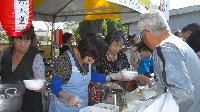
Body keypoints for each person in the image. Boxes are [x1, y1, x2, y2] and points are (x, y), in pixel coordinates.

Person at [137, 10, 200, 112]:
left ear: (146, 33)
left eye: (141, 35)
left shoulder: (165, 48)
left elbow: (184, 96)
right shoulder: (177, 43)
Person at [48, 33, 107, 112]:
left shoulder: (87, 58)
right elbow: (54, 84)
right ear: (84, 50)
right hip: (63, 108)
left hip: (82, 107)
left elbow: (90, 75)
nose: (92, 62)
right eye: (90, 60)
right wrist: (67, 97)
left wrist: (110, 77)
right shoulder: (65, 60)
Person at [0, 25, 45, 112]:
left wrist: (40, 85)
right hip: (7, 105)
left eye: (27, 40)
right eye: (19, 39)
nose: (23, 44)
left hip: (30, 106)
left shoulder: (36, 57)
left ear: (31, 41)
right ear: (13, 39)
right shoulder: (4, 54)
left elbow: (41, 83)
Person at [89, 29, 130, 105]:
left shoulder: (122, 56)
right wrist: (108, 84)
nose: (118, 49)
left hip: (120, 93)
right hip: (101, 96)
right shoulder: (99, 57)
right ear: (108, 43)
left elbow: (127, 71)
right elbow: (91, 79)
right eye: (115, 45)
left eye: (120, 46)